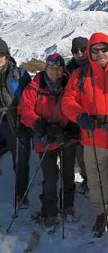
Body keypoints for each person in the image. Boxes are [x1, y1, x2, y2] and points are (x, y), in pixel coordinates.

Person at [62, 32, 108, 236]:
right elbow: (67, 101)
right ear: (90, 52)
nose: (100, 53)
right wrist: (79, 116)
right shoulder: (80, 75)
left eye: (104, 49)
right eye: (95, 50)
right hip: (92, 136)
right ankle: (101, 213)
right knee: (95, 179)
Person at [18, 53, 78, 231]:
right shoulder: (35, 86)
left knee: (68, 174)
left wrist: (71, 130)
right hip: (45, 138)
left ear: (63, 69)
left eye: (59, 68)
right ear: (46, 67)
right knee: (50, 177)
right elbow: (24, 110)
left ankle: (68, 205)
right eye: (51, 67)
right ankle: (49, 210)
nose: (55, 71)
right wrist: (41, 125)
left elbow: (78, 105)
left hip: (67, 137)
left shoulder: (70, 84)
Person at [0, 37, 32, 209]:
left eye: (1, 54)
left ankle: (21, 194)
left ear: (7, 55)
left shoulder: (19, 75)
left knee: (20, 159)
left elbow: (32, 98)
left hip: (16, 122)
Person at [66, 36, 89, 195]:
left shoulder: (94, 67)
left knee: (87, 150)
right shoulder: (67, 70)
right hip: (72, 115)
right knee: (79, 151)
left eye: (83, 50)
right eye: (76, 51)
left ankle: (91, 179)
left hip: (89, 114)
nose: (79, 53)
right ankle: (85, 178)